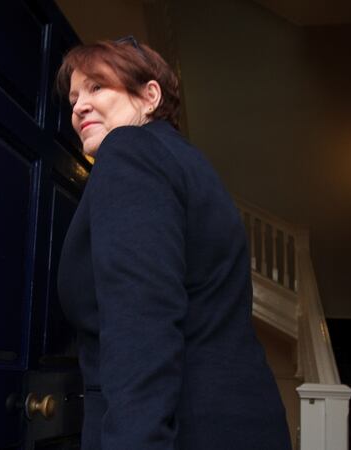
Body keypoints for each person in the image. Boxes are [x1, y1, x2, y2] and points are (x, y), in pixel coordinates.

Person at [56, 37, 291, 450]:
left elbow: (140, 322)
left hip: (183, 431)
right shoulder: (184, 163)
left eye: (96, 87)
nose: (78, 106)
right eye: (74, 96)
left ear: (150, 96)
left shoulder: (128, 152)